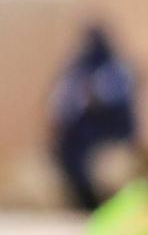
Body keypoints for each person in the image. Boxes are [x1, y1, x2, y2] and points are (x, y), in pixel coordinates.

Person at [48, 23, 139, 211]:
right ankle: (87, 203)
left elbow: (111, 103)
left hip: (110, 134)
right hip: (81, 138)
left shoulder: (112, 71)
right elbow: (62, 108)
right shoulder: (79, 70)